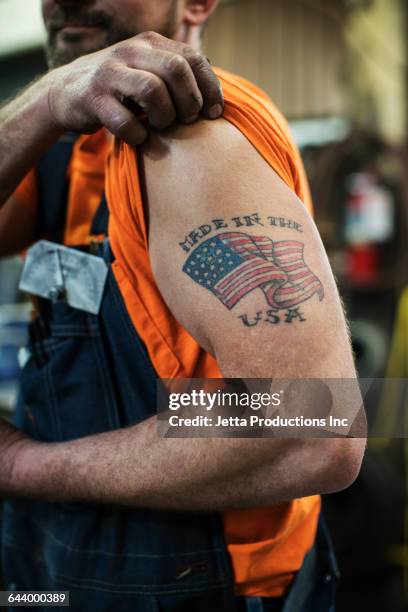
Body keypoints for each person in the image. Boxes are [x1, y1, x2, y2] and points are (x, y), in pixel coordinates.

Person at [0, 1, 366, 610]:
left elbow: (312, 426)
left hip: (200, 586)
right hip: (48, 572)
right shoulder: (65, 142)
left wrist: (22, 467)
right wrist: (44, 101)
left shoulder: (193, 142)